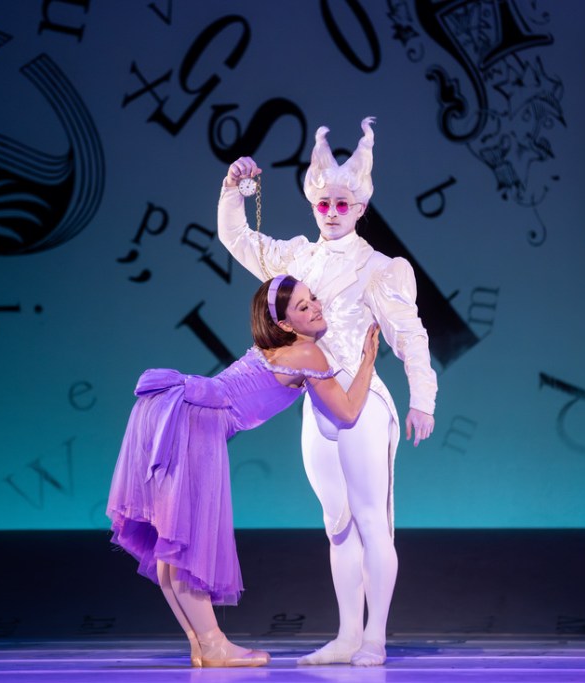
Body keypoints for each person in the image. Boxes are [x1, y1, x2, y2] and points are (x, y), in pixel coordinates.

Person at [218, 117, 438, 666]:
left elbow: (410, 335)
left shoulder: (380, 268)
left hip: (363, 405)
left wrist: (422, 398)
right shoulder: (298, 259)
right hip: (317, 405)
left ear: (361, 209)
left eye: (343, 204)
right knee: (337, 525)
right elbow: (237, 240)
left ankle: (375, 637)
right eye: (325, 204)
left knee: (370, 518)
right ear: (314, 207)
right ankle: (345, 635)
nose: (333, 212)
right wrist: (233, 190)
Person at [106, 275, 380, 668]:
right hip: (196, 421)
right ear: (285, 324)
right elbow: (349, 413)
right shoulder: (307, 353)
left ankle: (202, 645)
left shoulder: (275, 346)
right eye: (303, 306)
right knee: (184, 541)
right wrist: (368, 362)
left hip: (175, 408)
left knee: (173, 539)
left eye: (313, 298)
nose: (316, 306)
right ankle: (213, 645)